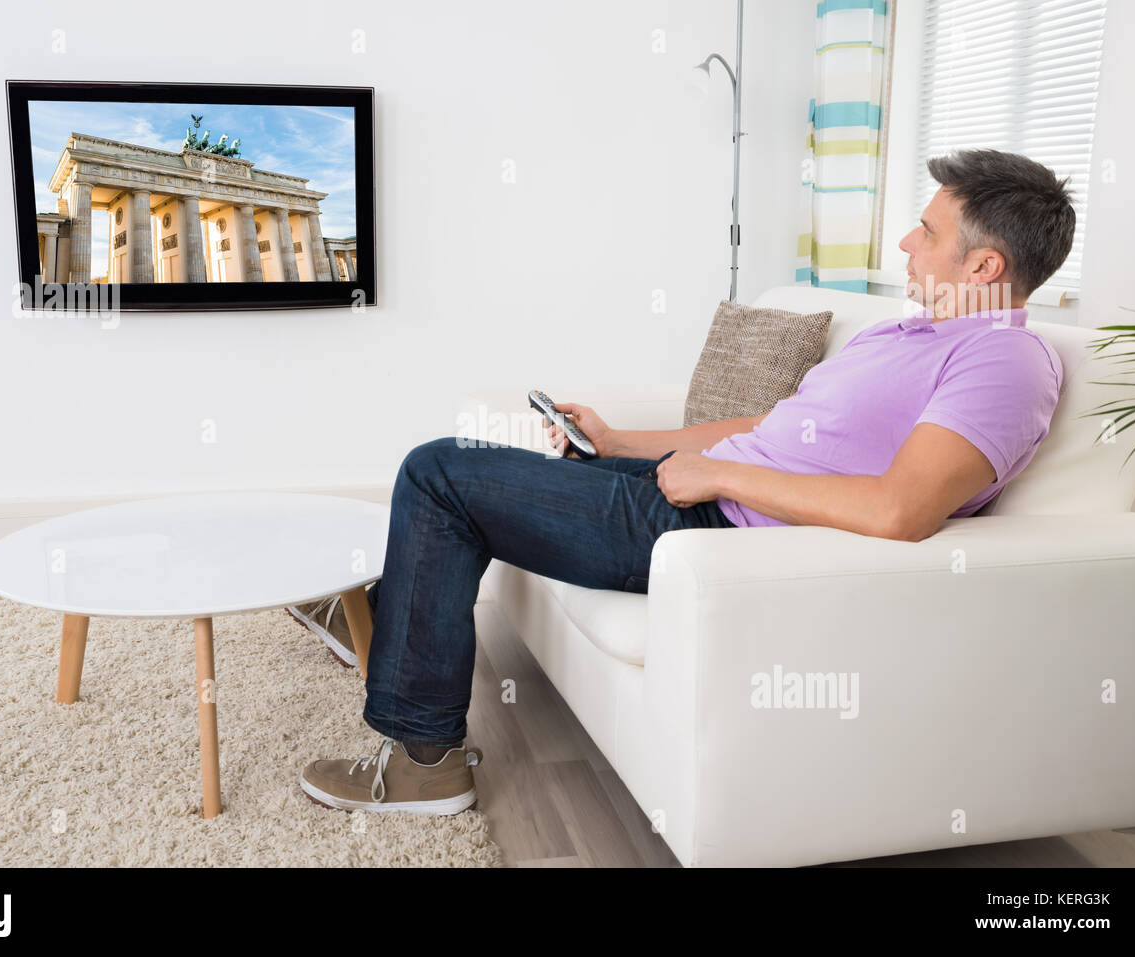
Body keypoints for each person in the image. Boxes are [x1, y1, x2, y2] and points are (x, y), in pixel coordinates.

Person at [294, 148, 1074, 815]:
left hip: (722, 532)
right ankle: (381, 613)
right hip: (711, 493)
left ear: (985, 265)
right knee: (470, 460)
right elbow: (766, 430)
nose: (906, 239)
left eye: (928, 231)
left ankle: (423, 764)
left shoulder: (1003, 361)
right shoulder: (904, 333)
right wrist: (616, 440)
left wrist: (718, 477)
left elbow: (901, 508)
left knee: (439, 474)